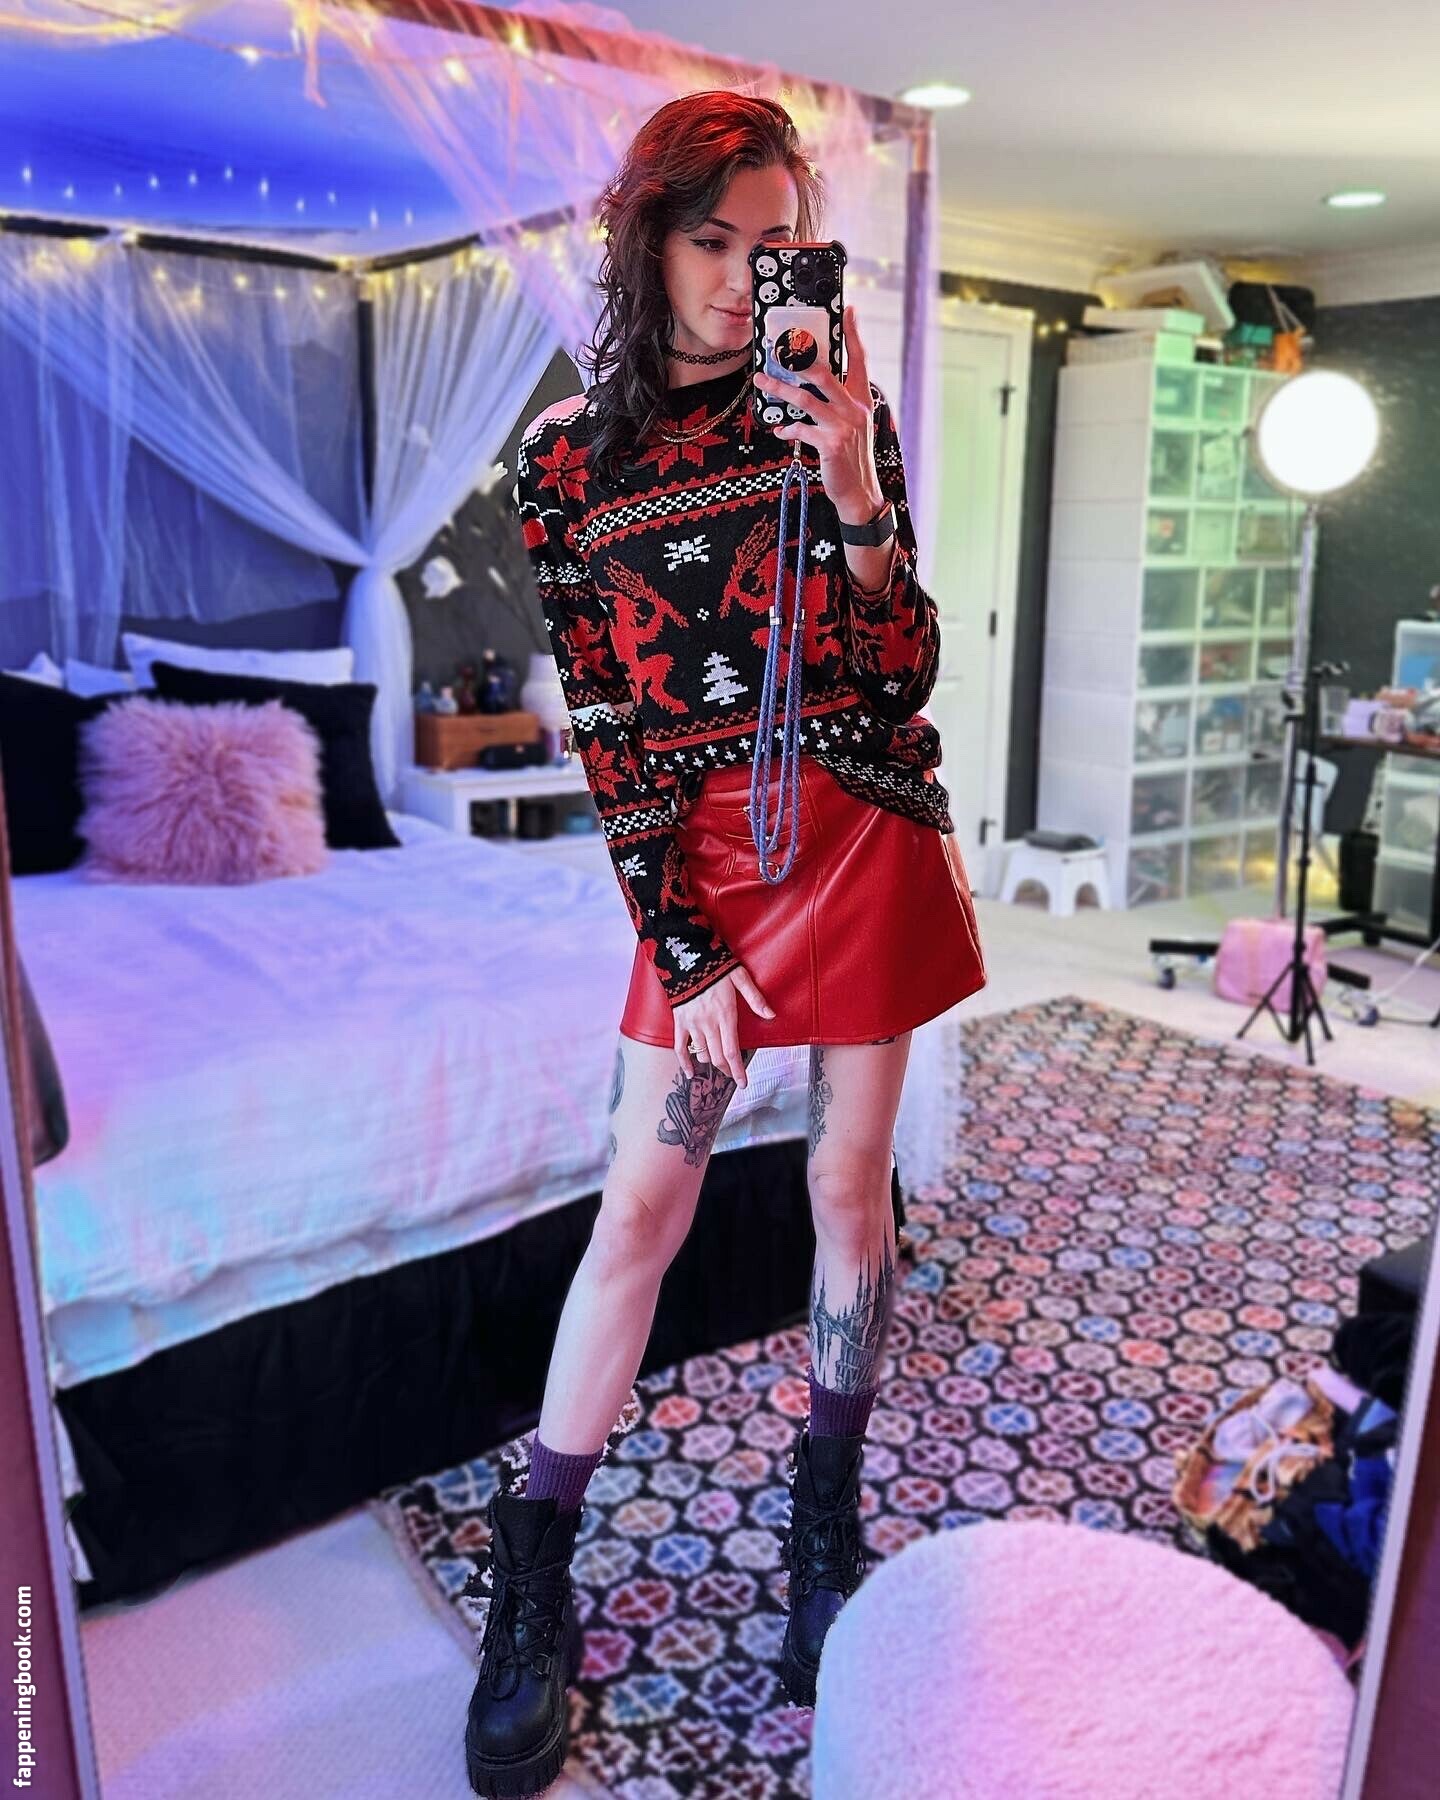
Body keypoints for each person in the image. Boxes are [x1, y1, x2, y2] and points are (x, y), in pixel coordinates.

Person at [465, 89, 987, 1798]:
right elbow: (608, 728)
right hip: (699, 865)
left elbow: (898, 672)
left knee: (846, 1187)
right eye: (713, 240)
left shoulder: (837, 411)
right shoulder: (562, 463)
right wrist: (681, 948)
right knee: (644, 1202)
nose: (742, 277)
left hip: (859, 827)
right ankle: (535, 1561)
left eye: (776, 245)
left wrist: (854, 489)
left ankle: (822, 1522)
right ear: (650, 241)